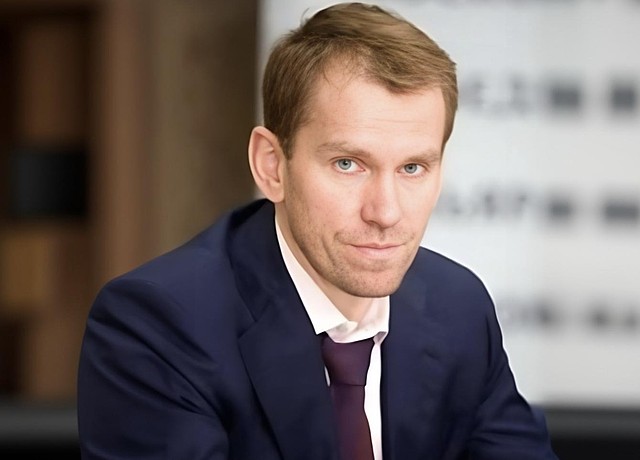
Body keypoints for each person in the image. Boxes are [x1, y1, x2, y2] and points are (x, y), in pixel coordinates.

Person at [77, 3, 558, 459]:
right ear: (272, 166)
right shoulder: (158, 325)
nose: (386, 212)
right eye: (348, 164)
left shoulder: (459, 309)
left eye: (412, 168)